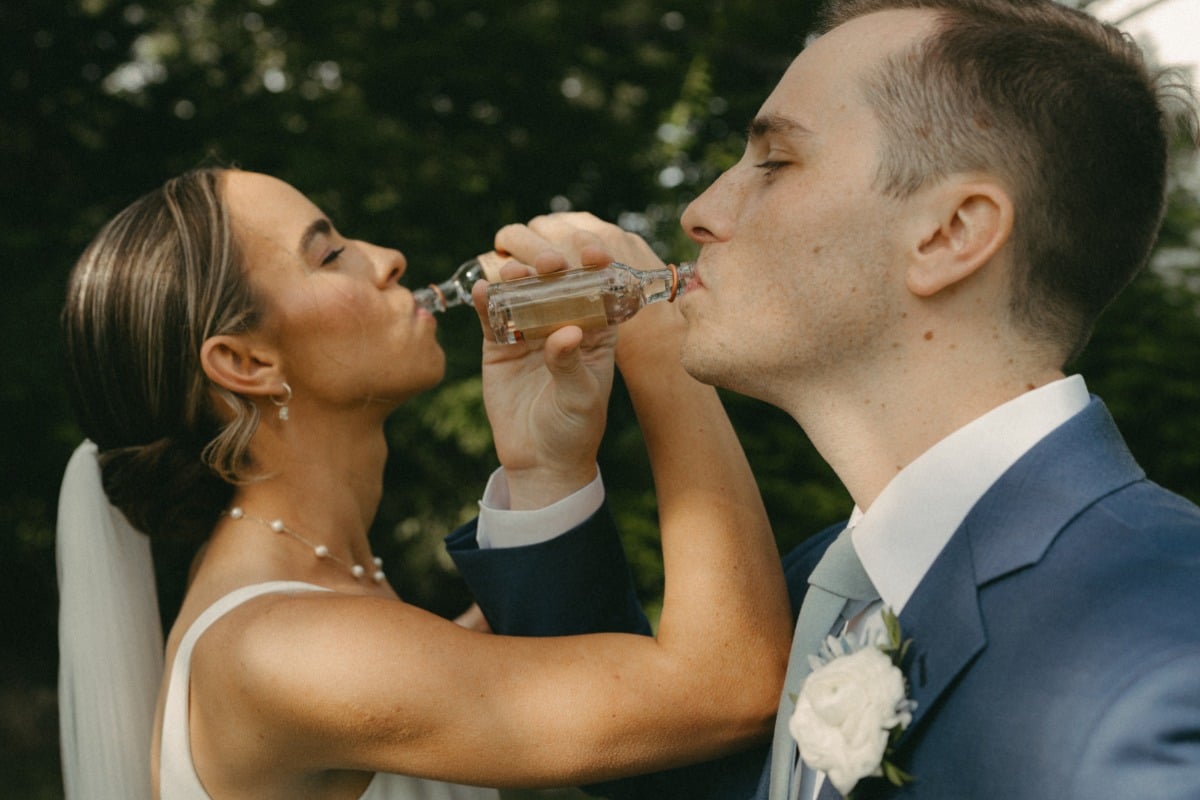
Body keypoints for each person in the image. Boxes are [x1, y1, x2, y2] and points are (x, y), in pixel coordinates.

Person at [443, 0, 1200, 798]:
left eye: (774, 162)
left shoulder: (1155, 648)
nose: (699, 213)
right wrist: (547, 472)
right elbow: (645, 771)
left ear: (951, 234)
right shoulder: (823, 592)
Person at [54, 166, 793, 799]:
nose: (388, 258)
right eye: (331, 253)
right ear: (247, 365)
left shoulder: (339, 613)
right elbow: (729, 688)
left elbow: (626, 709)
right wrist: (654, 325)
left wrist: (543, 471)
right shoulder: (284, 652)